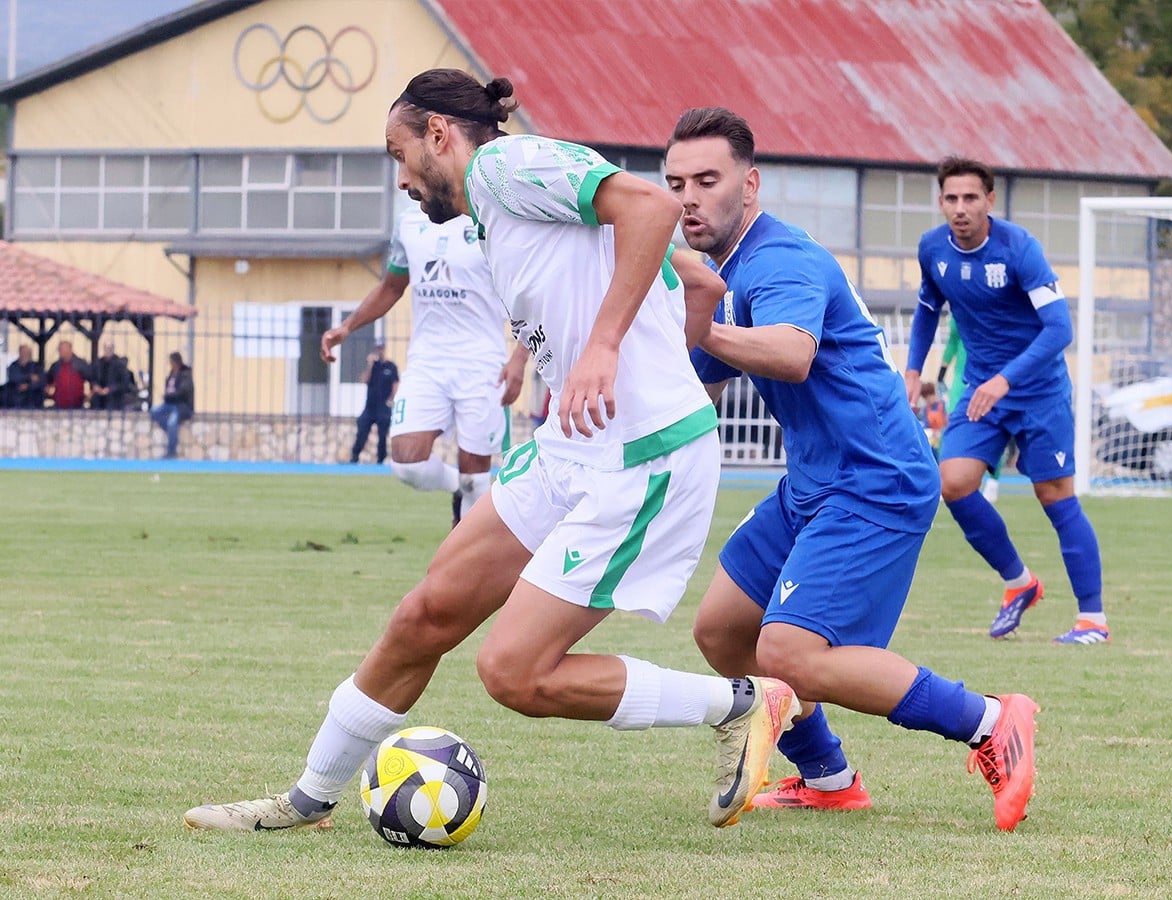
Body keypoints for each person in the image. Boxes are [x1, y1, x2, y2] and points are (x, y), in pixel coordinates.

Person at [185, 69, 797, 834]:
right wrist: (651, 355)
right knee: (425, 615)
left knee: (512, 672)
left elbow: (652, 205)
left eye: (399, 154)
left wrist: (611, 352)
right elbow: (700, 285)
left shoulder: (507, 168)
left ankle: (741, 702)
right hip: (569, 446)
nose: (401, 178)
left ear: (440, 134)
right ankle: (304, 801)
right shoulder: (492, 216)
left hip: (637, 458)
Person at [665, 107, 1038, 831]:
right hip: (813, 482)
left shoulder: (779, 260)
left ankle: (993, 722)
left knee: (788, 652)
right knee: (722, 632)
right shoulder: (726, 274)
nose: (688, 197)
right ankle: (829, 776)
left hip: (876, 480)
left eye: (707, 179)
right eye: (675, 181)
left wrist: (695, 322)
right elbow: (696, 384)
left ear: (750, 184)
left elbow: (791, 352)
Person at [905, 156, 1109, 645]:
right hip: (982, 392)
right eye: (951, 198)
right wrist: (912, 371)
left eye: (971, 198)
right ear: (940, 202)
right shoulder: (933, 249)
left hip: (1037, 390)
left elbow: (1060, 329)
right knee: (952, 483)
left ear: (989, 201)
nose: (960, 208)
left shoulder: (1020, 249)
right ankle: (1020, 583)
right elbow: (927, 311)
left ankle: (1093, 620)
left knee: (1054, 496)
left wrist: (1004, 380)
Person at [322, 206, 529, 525]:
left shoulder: (492, 215)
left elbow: (527, 292)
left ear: (439, 152)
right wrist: (347, 327)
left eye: (406, 159)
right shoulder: (408, 221)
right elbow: (391, 287)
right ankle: (464, 488)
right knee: (407, 464)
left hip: (483, 365)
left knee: (476, 475)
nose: (403, 178)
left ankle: (467, 564)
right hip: (426, 362)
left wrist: (519, 358)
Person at [939, 317, 1000, 502]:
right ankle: (944, 479)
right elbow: (952, 342)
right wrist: (941, 373)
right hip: (960, 378)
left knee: (994, 429)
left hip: (988, 377)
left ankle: (993, 483)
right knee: (949, 426)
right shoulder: (956, 315)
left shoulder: (992, 309)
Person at [347, 341, 400, 465]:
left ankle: (381, 459)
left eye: (381, 348)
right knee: (362, 430)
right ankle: (355, 456)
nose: (379, 351)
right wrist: (370, 365)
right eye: (378, 348)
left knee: (382, 435)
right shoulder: (373, 366)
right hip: (370, 406)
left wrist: (391, 400)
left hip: (383, 406)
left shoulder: (391, 366)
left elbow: (395, 384)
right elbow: (365, 380)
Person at [150, 351, 194, 459]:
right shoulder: (171, 374)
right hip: (169, 404)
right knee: (154, 411)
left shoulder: (185, 375)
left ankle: (171, 451)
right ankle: (171, 433)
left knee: (172, 422)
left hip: (181, 406)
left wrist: (170, 396)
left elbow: (183, 391)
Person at [45, 340, 91, 409]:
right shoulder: (55, 365)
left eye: (63, 349)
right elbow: (48, 381)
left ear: (70, 349)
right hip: (59, 406)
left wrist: (90, 395)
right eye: (60, 349)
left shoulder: (81, 364)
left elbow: (91, 379)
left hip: (77, 406)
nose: (60, 351)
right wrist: (49, 392)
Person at [90, 341, 133, 411]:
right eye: (106, 348)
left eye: (110, 348)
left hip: (115, 399)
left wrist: (110, 389)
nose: (108, 350)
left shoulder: (120, 365)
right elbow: (93, 378)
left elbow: (124, 383)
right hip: (99, 399)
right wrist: (96, 386)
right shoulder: (98, 363)